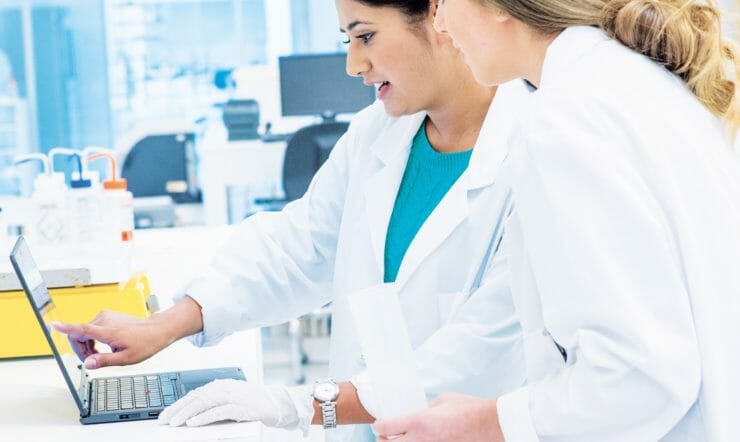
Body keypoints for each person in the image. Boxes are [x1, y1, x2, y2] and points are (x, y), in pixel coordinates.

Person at [53, 0, 529, 440]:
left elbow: (483, 349)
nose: (353, 66)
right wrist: (166, 324)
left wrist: (300, 404)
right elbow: (301, 247)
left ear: (438, 15)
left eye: (365, 37)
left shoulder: (537, 150)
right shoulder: (377, 134)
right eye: (348, 41)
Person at [374, 0, 740, 440]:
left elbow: (640, 378)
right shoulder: (633, 84)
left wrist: (490, 422)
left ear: (496, 6)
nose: (441, 23)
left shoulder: (565, 116)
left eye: (443, 2)